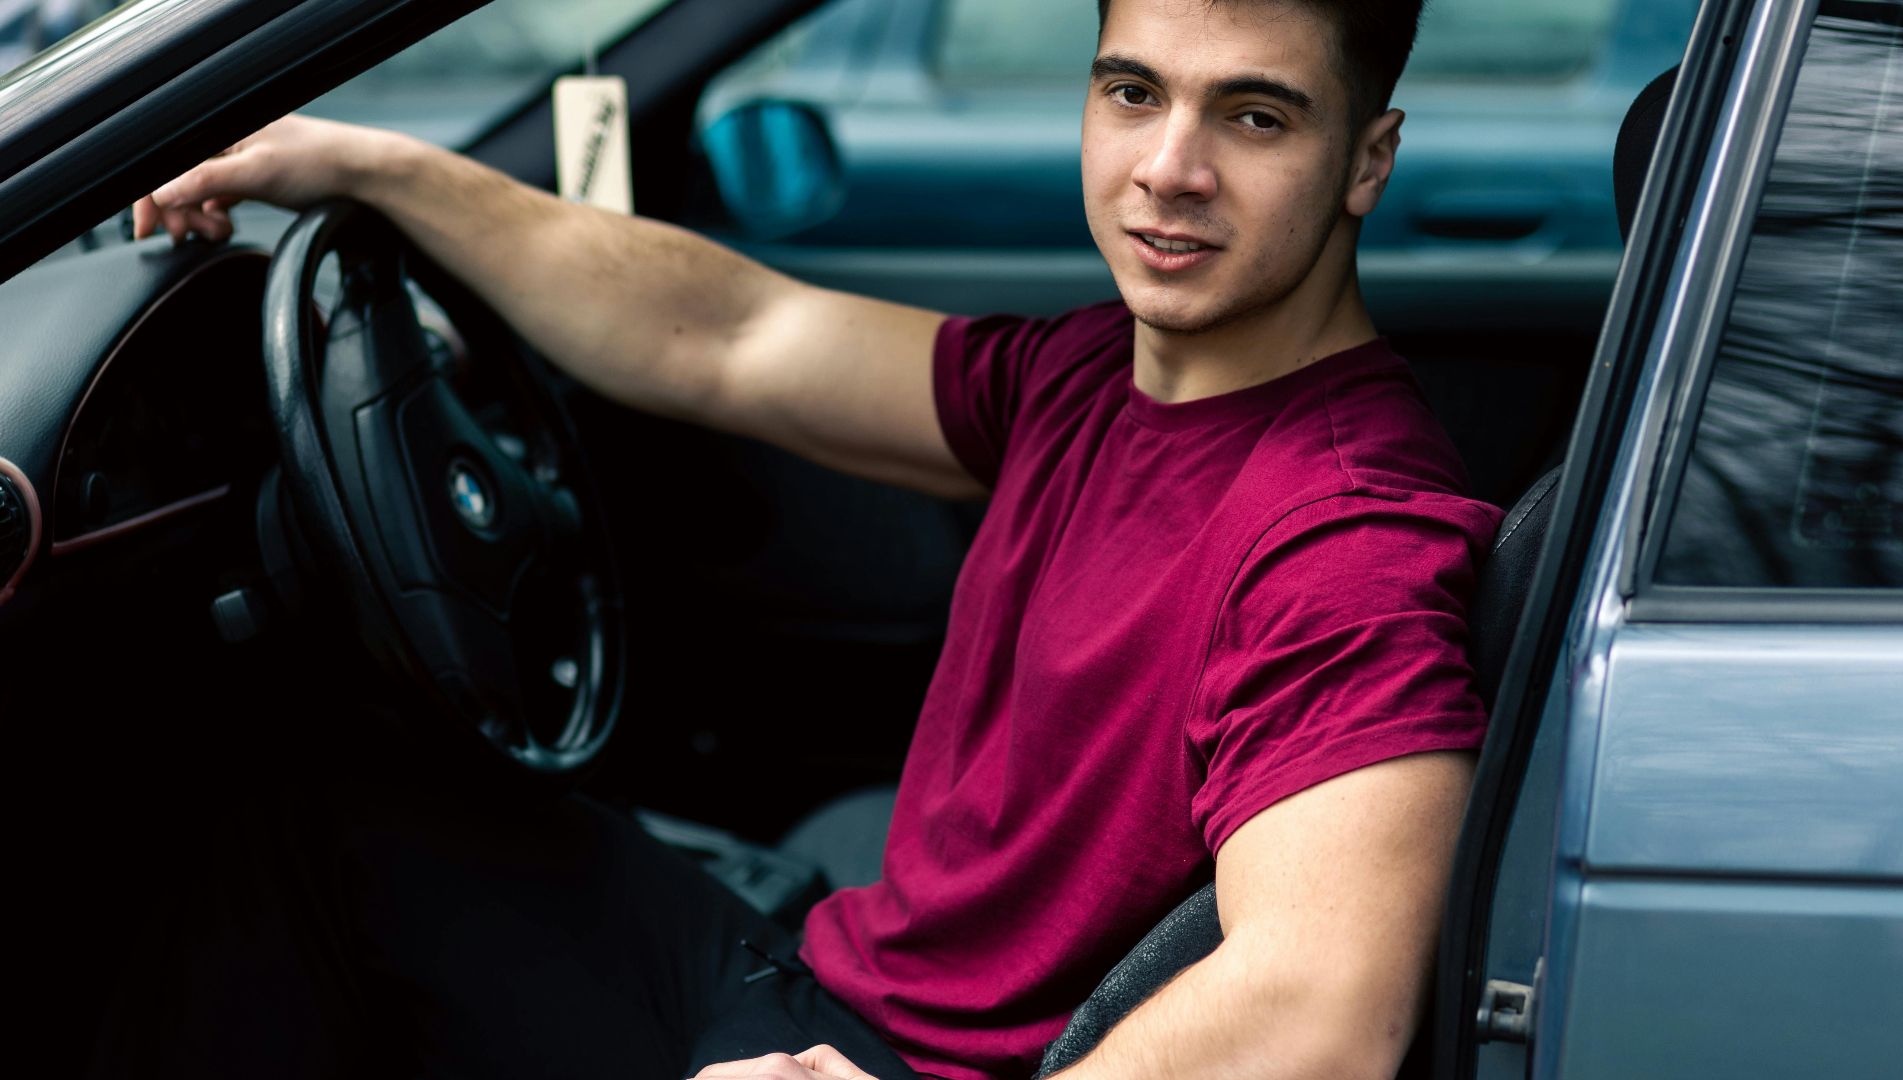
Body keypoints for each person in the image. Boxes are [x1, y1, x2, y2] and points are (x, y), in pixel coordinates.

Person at [119, 1, 1500, 1077]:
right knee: (317, 798)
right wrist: (370, 163)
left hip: (896, 1063)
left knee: (273, 846)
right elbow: (733, 336)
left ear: (1367, 160)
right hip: (839, 975)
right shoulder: (1087, 374)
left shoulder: (1343, 530)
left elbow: (1323, 1011)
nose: (1170, 169)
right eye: (1134, 92)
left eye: (1255, 119)